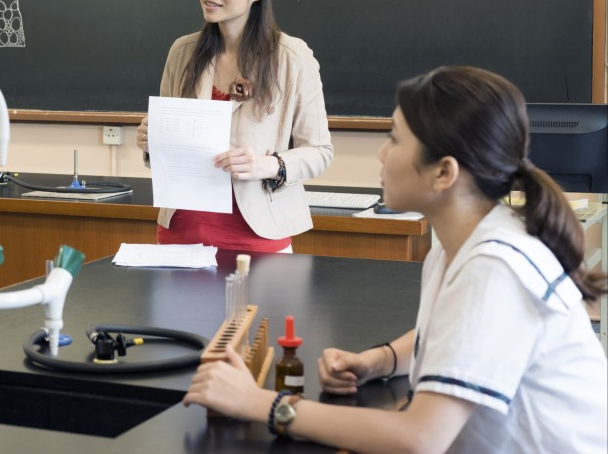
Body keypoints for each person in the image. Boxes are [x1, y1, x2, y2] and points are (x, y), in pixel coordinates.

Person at [183, 65, 608, 453]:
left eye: (395, 139)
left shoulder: (495, 268)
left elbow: (419, 440)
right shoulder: (467, 238)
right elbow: (454, 336)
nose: (382, 155)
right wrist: (380, 359)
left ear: (444, 173)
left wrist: (262, 404)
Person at [135, 0, 332, 252]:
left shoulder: (292, 57)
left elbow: (320, 151)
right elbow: (169, 157)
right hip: (182, 236)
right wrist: (151, 141)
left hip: (258, 236)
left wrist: (269, 165)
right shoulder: (182, 52)